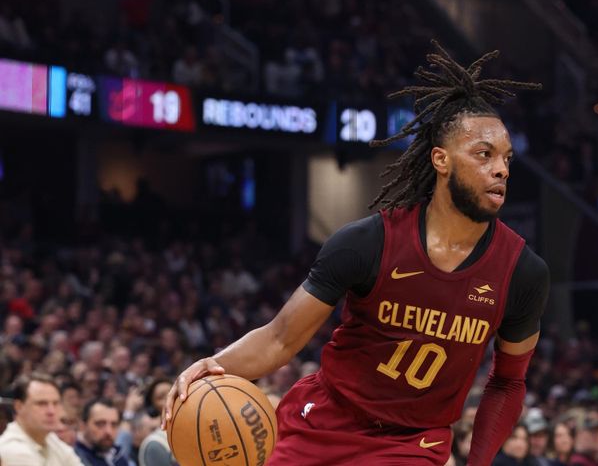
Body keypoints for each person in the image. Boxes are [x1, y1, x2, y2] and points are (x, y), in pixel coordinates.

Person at [163, 41, 551, 465]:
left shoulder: (522, 272)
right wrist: (211, 364)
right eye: (484, 154)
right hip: (324, 419)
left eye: (506, 158)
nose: (502, 169)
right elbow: (279, 339)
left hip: (411, 444)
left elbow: (508, 383)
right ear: (441, 160)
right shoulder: (369, 242)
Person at [0, 372, 83, 466]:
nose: (51, 411)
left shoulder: (50, 438)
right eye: (41, 404)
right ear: (19, 407)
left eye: (55, 403)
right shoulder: (12, 448)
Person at [74, 399, 127, 466]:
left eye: (114, 425)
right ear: (83, 426)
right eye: (100, 424)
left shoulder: (118, 456)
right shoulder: (74, 457)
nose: (108, 431)